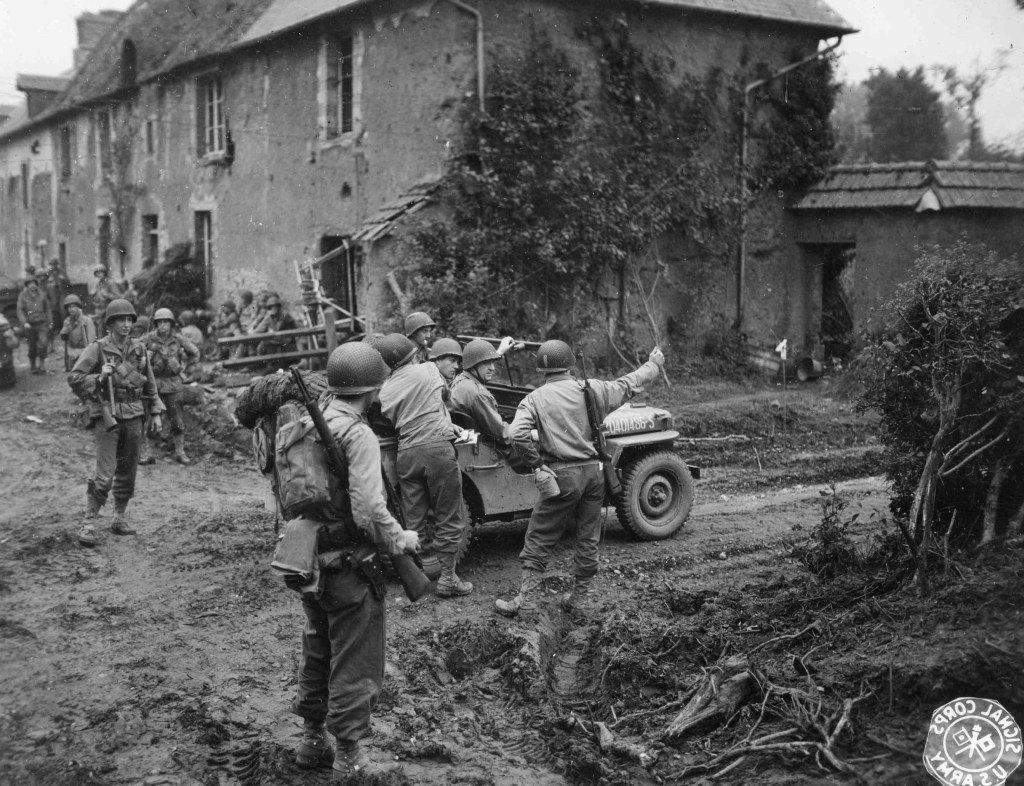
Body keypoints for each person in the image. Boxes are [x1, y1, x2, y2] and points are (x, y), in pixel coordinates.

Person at [284, 342, 421, 777]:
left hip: (308, 556)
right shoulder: (358, 434)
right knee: (357, 658)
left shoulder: (306, 424)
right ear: (374, 389)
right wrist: (400, 538)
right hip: (349, 563)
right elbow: (368, 511)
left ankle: (312, 739)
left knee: (318, 646)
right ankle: (349, 756)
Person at [495, 340, 665, 618]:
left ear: (542, 370)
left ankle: (527, 603)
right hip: (594, 474)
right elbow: (629, 383)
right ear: (570, 365)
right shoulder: (593, 388)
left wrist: (537, 465)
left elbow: (516, 435)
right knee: (588, 537)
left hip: (561, 476)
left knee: (539, 536)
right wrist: (653, 364)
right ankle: (579, 599)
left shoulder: (534, 398)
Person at [378, 333, 473, 597]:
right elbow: (446, 398)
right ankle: (448, 580)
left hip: (406, 453)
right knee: (449, 515)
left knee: (413, 520)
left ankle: (416, 578)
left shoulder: (385, 389)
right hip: (437, 450)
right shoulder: (429, 369)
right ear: (413, 355)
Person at [68, 299, 166, 547]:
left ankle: (119, 518)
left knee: (128, 472)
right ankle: (89, 523)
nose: (126, 324)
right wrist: (99, 376)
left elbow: (150, 383)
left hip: (134, 416)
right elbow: (75, 377)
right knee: (104, 475)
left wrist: (155, 412)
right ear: (110, 324)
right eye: (120, 320)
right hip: (107, 417)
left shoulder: (139, 349)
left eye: (129, 319)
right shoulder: (98, 348)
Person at [143, 308, 200, 465]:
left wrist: (187, 372)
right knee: (151, 419)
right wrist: (144, 359)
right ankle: (149, 453)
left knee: (177, 419)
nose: (162, 325)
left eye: (166, 322)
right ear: (156, 324)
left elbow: (195, 353)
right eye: (159, 322)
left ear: (171, 324)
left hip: (173, 383)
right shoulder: (149, 338)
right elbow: (133, 351)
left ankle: (180, 452)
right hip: (154, 384)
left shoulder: (178, 339)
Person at [449, 337, 519, 447]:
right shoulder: (479, 394)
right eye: (487, 363)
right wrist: (527, 433)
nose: (492, 368)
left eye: (492, 363)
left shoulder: (459, 380)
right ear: (473, 365)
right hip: (483, 447)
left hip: (463, 443)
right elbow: (502, 434)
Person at [16, 276, 52, 374]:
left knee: (43, 343)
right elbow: (20, 310)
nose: (32, 286)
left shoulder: (42, 294)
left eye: (34, 283)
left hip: (42, 323)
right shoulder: (22, 296)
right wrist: (24, 322)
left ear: (36, 284)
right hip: (30, 325)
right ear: (27, 285)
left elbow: (48, 309)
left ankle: (42, 363)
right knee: (32, 346)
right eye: (29, 284)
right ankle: (33, 365)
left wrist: (50, 322)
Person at [59, 294, 97, 372]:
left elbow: (91, 341)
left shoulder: (87, 321)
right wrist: (66, 328)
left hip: (84, 352)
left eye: (73, 306)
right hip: (72, 353)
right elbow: (64, 338)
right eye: (69, 307)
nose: (71, 309)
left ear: (79, 307)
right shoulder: (67, 321)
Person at [0, 314, 20, 389]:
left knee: (6, 362)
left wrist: (10, 336)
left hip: (4, 354)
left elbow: (15, 344)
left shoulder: (5, 329)